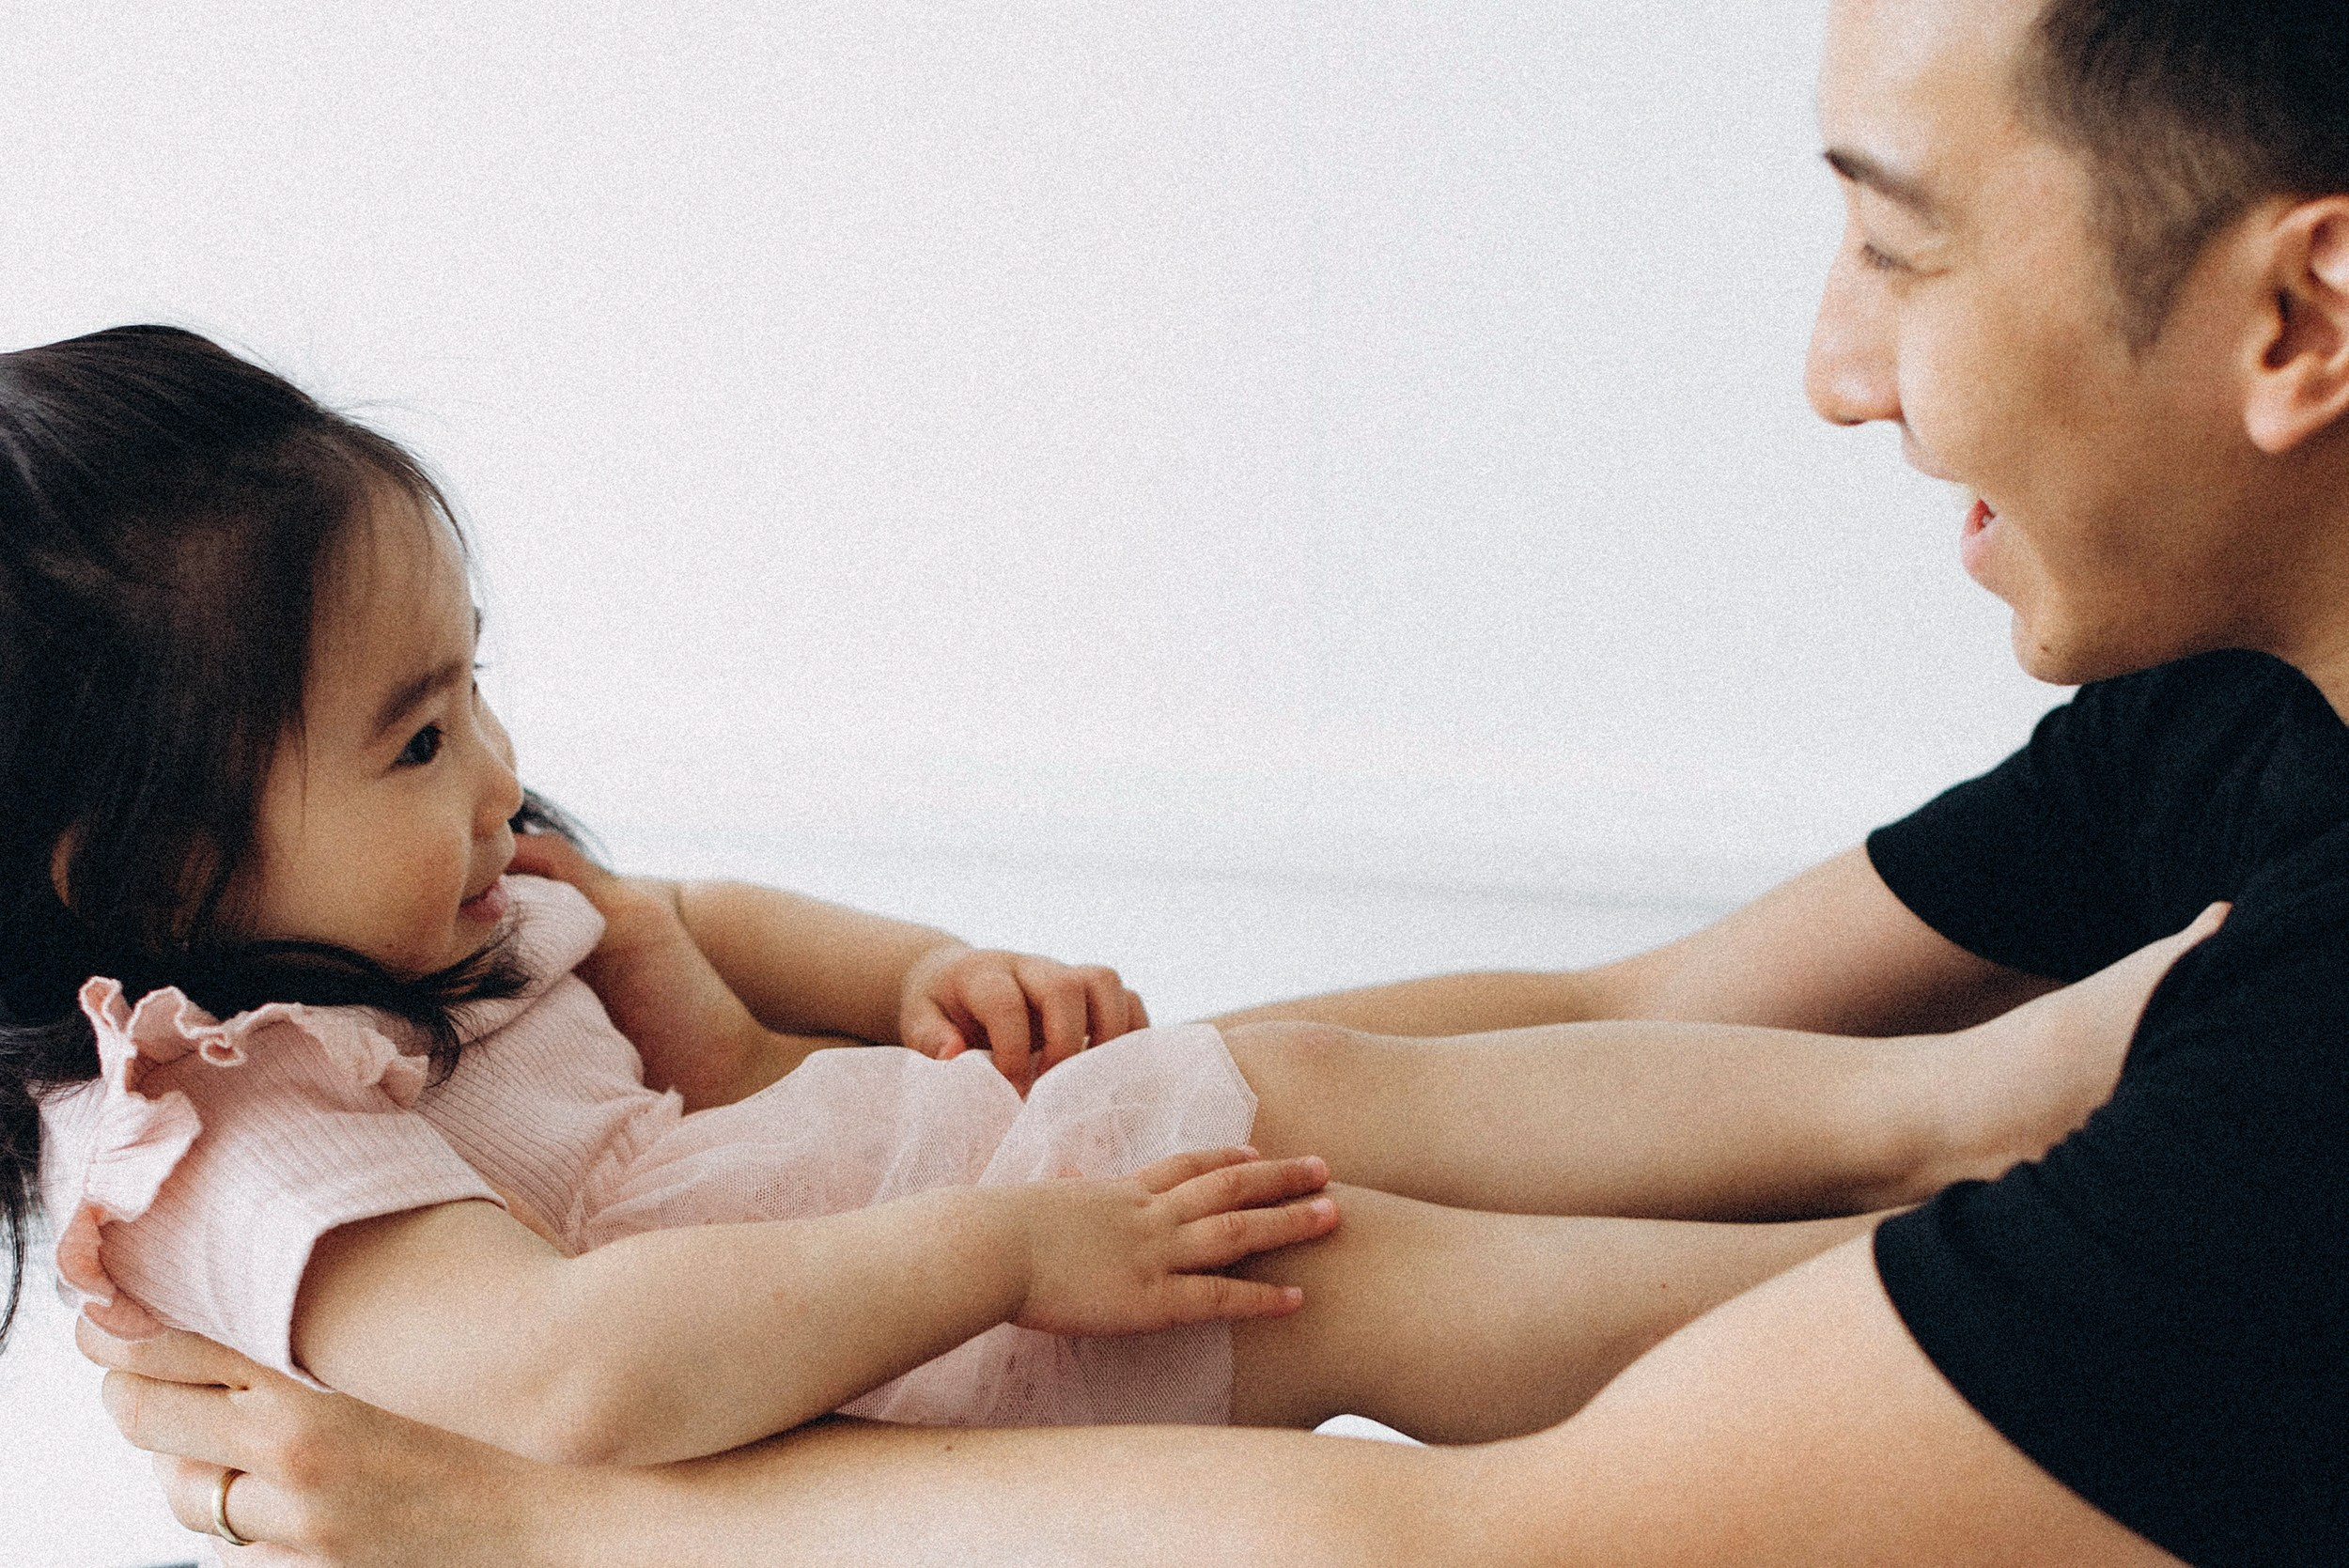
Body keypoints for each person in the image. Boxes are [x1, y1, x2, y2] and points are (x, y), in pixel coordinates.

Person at [75, 0, 2349, 1560]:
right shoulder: (2233, 712)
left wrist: (552, 1524)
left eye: (1896, 237)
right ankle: (1946, 1207)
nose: (1828, 365)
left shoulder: (2298, 1108)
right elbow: (1666, 998)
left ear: (2292, 325)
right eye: (412, 730)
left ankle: (1947, 1215)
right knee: (1360, 1162)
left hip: (961, 1233)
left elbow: (1503, 1541)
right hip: (947, 1248)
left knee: (1370, 1216)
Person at [4, 324, 2154, 1485]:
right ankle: (1937, 1287)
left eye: (474, 683)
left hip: (931, 1202)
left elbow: (712, 911)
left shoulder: (428, 903)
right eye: (409, 736)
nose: (489, 769)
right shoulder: (231, 1132)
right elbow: (573, 1379)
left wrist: (916, 974)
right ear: (150, 861)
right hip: (880, 1382)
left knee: (1314, 1080)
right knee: (1353, 1279)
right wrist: (1012, 1241)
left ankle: (1942, 1113)